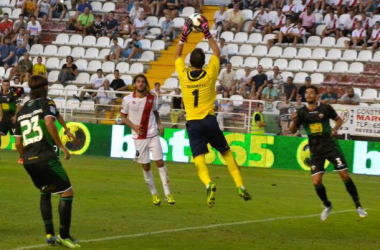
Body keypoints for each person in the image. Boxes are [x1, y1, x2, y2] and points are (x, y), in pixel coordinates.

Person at [174, 16, 251, 207]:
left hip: (193, 124)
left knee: (199, 160)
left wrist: (185, 34)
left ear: (190, 62)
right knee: (226, 153)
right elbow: (217, 52)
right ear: (203, 62)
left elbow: (176, 56)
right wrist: (207, 32)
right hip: (209, 121)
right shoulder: (209, 74)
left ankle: (208, 183)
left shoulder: (183, 76)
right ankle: (240, 186)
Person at [14, 75, 81, 248]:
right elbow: (50, 122)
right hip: (46, 156)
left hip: (29, 160)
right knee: (67, 192)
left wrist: (23, 156)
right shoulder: (47, 103)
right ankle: (64, 236)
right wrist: (62, 146)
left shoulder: (21, 110)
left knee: (45, 191)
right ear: (45, 88)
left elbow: (18, 143)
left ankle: (50, 234)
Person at [289, 86, 367, 221]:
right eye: (306, 93)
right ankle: (327, 205)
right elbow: (292, 130)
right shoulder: (301, 112)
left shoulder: (325, 108)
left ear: (317, 95)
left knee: (344, 175)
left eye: (312, 92)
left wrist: (335, 129)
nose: (309, 95)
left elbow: (339, 120)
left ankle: (358, 205)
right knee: (316, 181)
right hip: (316, 150)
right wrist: (294, 120)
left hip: (330, 146)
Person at [120, 74, 175, 206]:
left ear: (145, 84)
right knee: (146, 166)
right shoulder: (127, 100)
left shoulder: (152, 97)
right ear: (134, 84)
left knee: (160, 162)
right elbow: (123, 117)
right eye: (138, 81)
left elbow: (155, 112)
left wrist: (160, 124)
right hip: (138, 137)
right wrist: (133, 126)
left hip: (152, 134)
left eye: (143, 82)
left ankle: (168, 194)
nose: (140, 83)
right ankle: (154, 194)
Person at [0, 80, 21, 163]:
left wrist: (16, 116)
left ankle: (22, 157)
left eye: (7, 85)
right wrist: (0, 115)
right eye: (4, 85)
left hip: (12, 119)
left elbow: (18, 106)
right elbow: (0, 106)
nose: (6, 86)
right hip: (3, 119)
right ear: (2, 86)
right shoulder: (0, 94)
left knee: (18, 139)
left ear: (9, 86)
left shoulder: (13, 94)